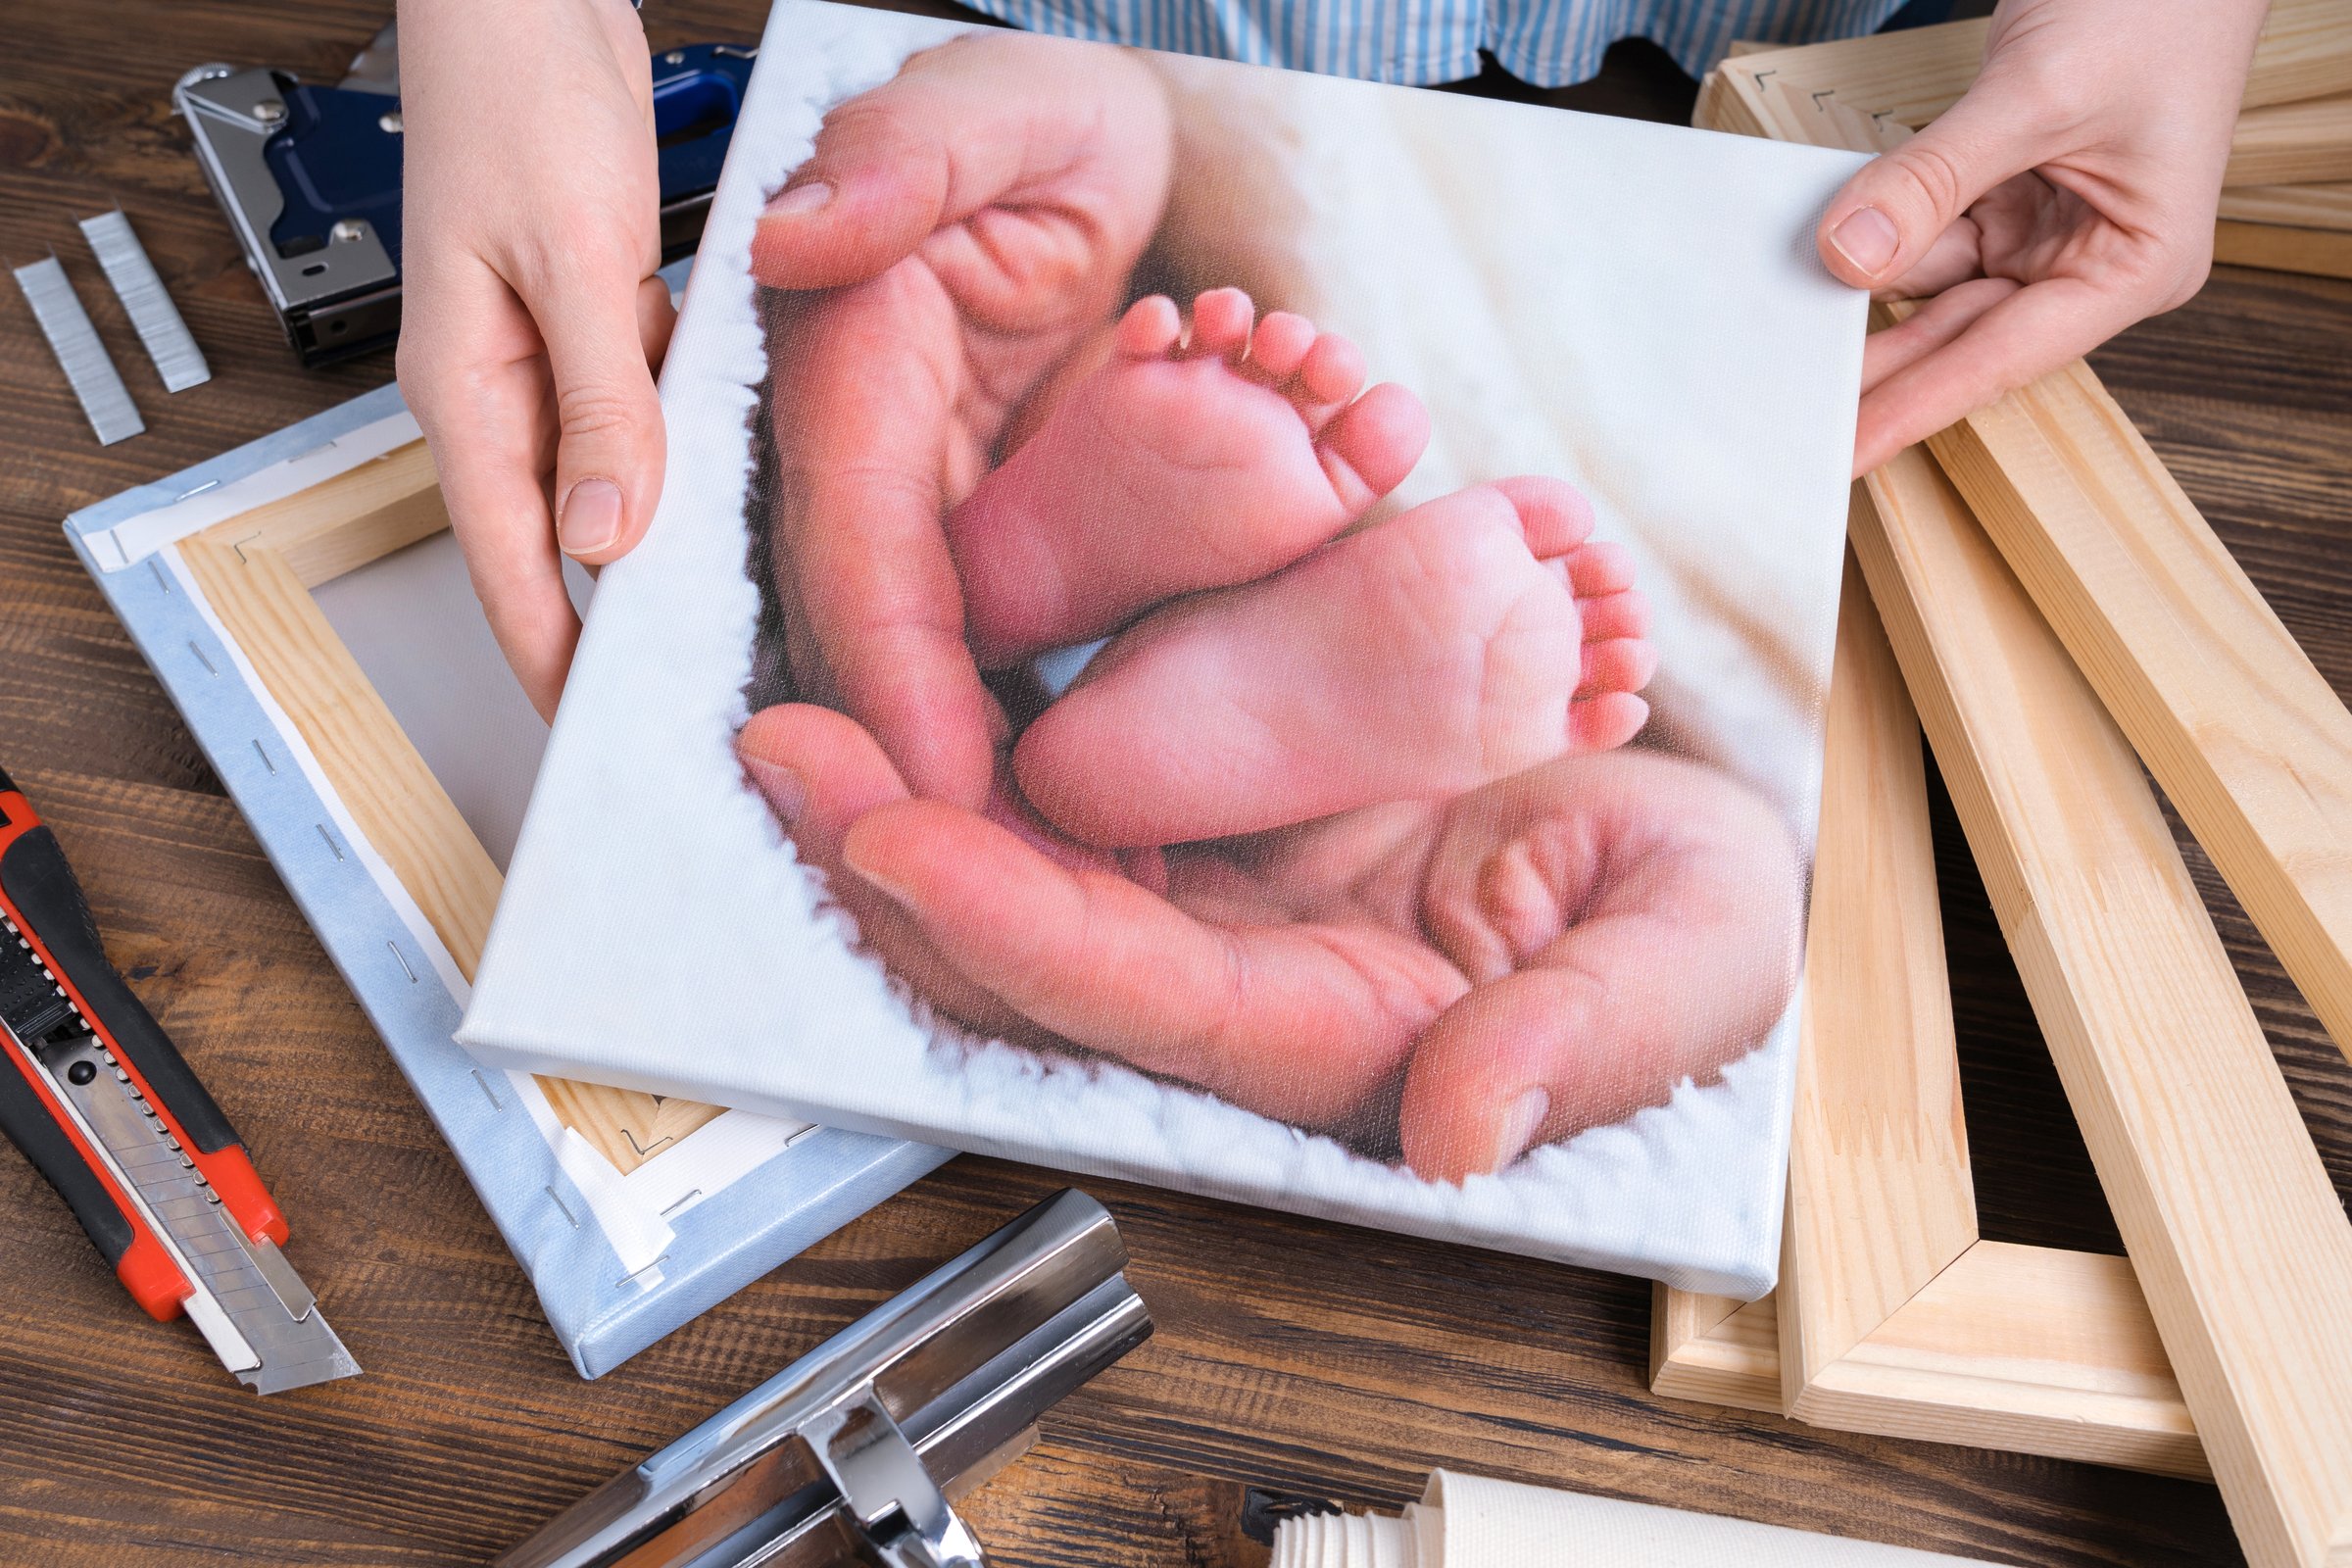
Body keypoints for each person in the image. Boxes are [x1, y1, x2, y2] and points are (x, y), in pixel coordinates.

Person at [395, 0, 2263, 1172]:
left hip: (1891, 109)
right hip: (1173, 76)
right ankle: (1162, 636)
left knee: (1198, 408)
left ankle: (1106, 611)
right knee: (1222, 374)